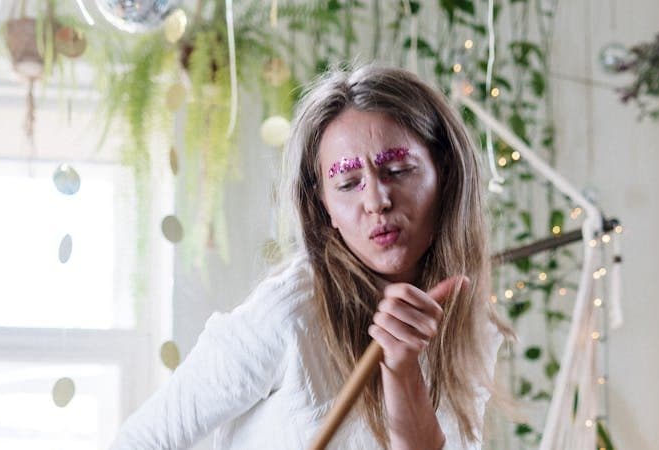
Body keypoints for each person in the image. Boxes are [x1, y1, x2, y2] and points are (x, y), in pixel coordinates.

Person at [110, 63, 509, 450]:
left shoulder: (473, 327)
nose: (376, 200)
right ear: (323, 207)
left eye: (399, 170)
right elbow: (142, 440)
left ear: (444, 171)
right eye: (348, 182)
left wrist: (402, 369)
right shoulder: (289, 313)